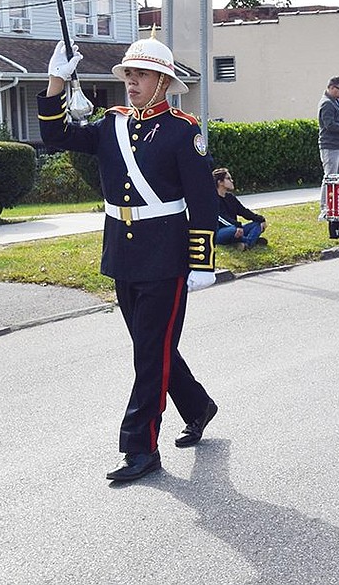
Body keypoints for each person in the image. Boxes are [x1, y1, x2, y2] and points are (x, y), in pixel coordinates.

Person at [38, 37, 219, 483]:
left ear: (162, 81)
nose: (131, 82)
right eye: (128, 74)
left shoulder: (182, 131)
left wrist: (202, 261)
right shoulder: (111, 124)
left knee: (147, 356)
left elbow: (203, 199)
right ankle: (198, 406)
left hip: (165, 256)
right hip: (122, 251)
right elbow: (55, 135)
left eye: (140, 75)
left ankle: (140, 448)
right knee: (152, 349)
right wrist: (56, 80)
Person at [213, 168, 267, 250]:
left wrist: (261, 219)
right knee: (233, 230)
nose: (232, 181)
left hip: (237, 230)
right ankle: (252, 241)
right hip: (221, 233)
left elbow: (243, 211)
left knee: (257, 224)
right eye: (228, 178)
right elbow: (221, 218)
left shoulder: (230, 197)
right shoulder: (213, 199)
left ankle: (244, 243)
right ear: (220, 182)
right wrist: (237, 225)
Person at [318, 77, 339, 216]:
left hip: (337, 145)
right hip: (330, 145)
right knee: (330, 176)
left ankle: (336, 204)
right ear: (331, 87)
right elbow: (329, 125)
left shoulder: (334, 101)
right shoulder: (327, 104)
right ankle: (325, 206)